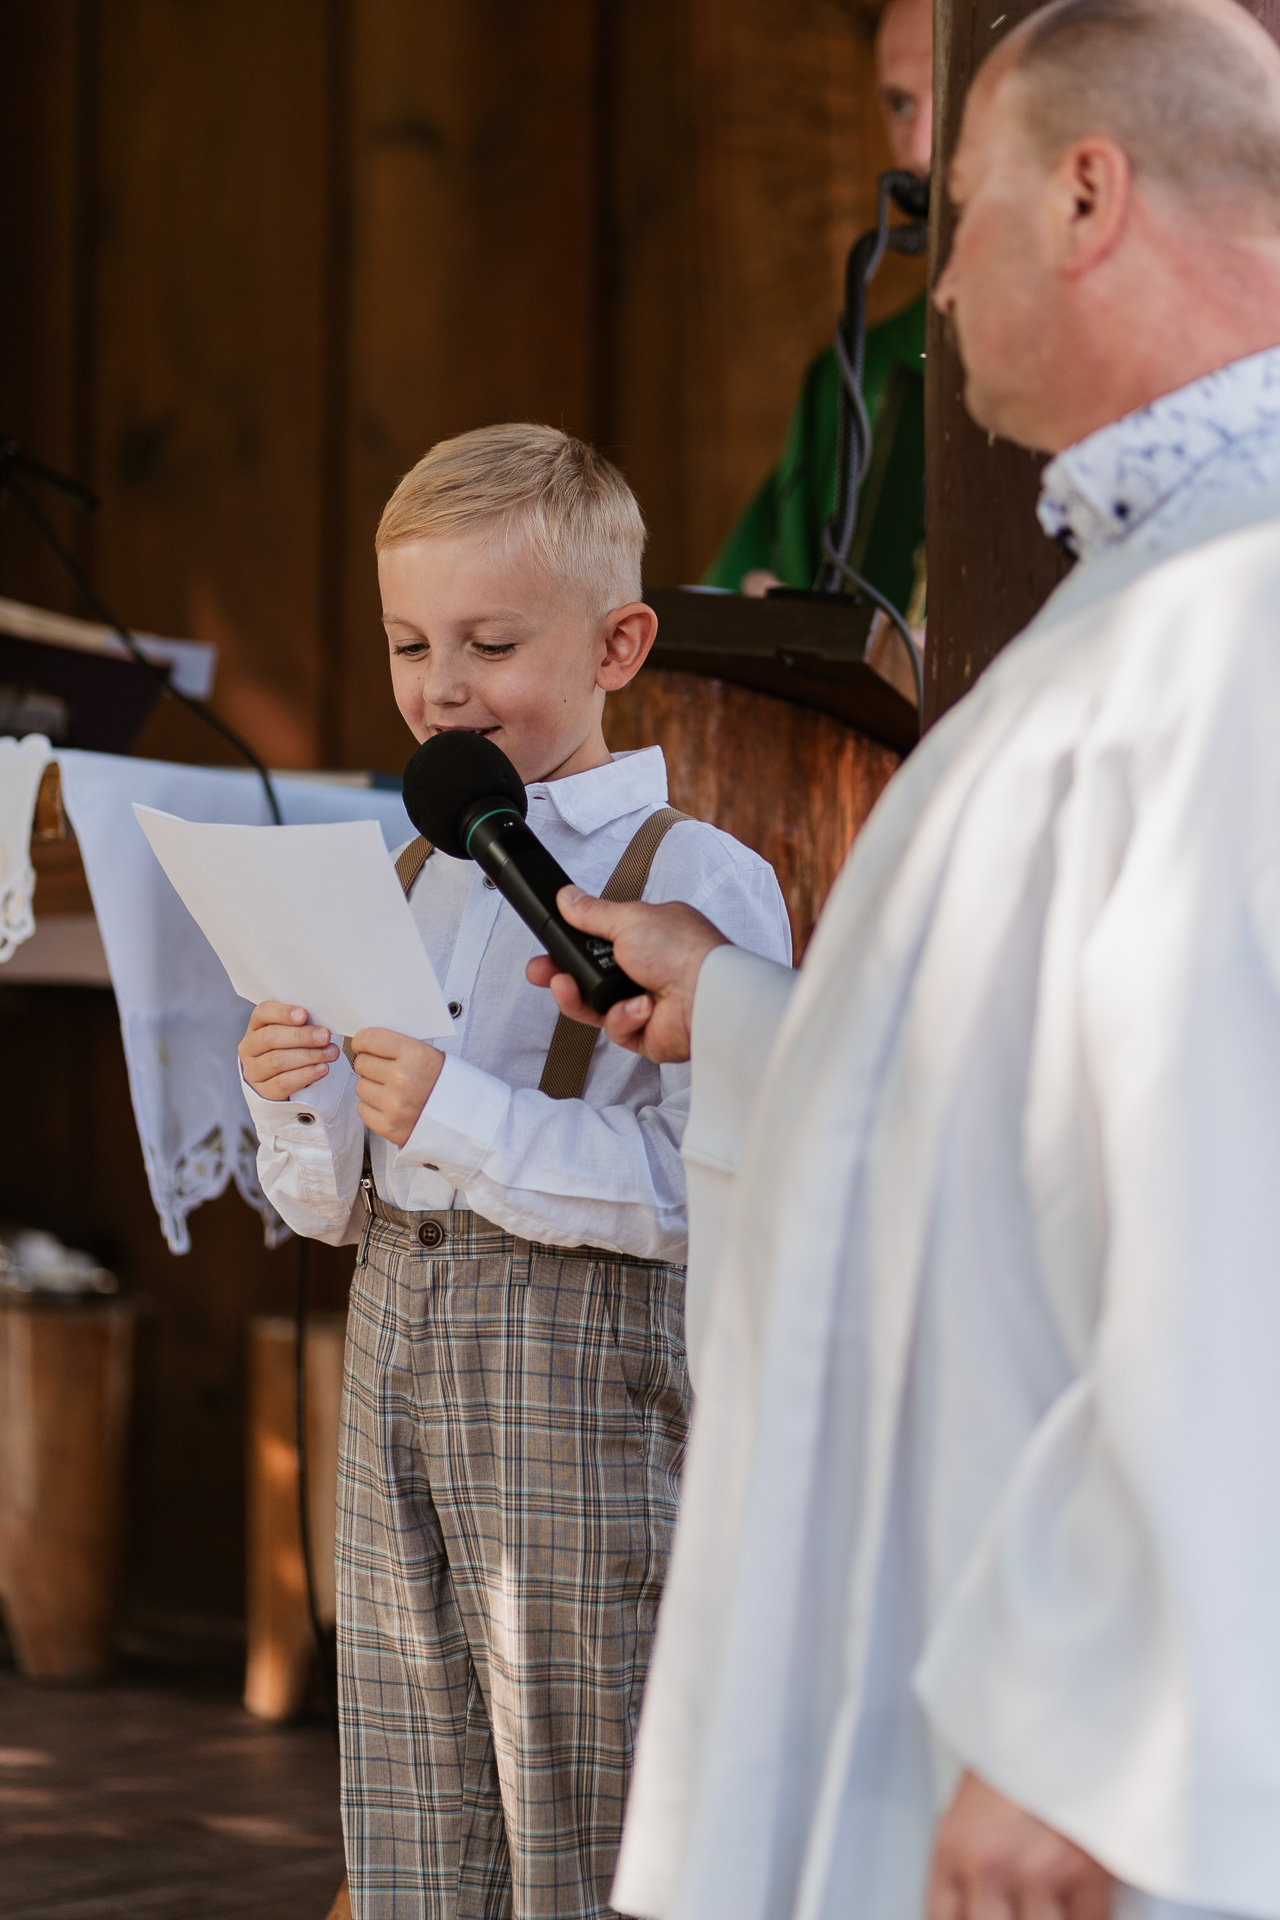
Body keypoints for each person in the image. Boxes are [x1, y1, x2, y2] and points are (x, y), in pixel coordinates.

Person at [526, 4, 1280, 1918]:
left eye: (963, 220)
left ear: (1091, 197)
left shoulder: (1241, 616)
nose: (930, 300)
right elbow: (1027, 1105)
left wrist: (1100, 1718)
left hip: (1089, 1761)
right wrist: (743, 1013)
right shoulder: (1157, 589)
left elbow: (1245, 1195)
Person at [236, 424, 791, 1920]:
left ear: (618, 645)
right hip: (394, 1337)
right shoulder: (405, 874)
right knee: (408, 1753)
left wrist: (466, 1118)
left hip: (579, 1368)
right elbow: (330, 1204)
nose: (443, 687)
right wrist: (299, 1103)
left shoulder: (695, 879)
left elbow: (706, 1192)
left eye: (490, 643)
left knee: (577, 1756)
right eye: (409, 644)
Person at [704, 0, 931, 608]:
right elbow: (739, 598)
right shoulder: (849, 381)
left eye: (959, 96)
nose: (920, 152)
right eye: (901, 106)